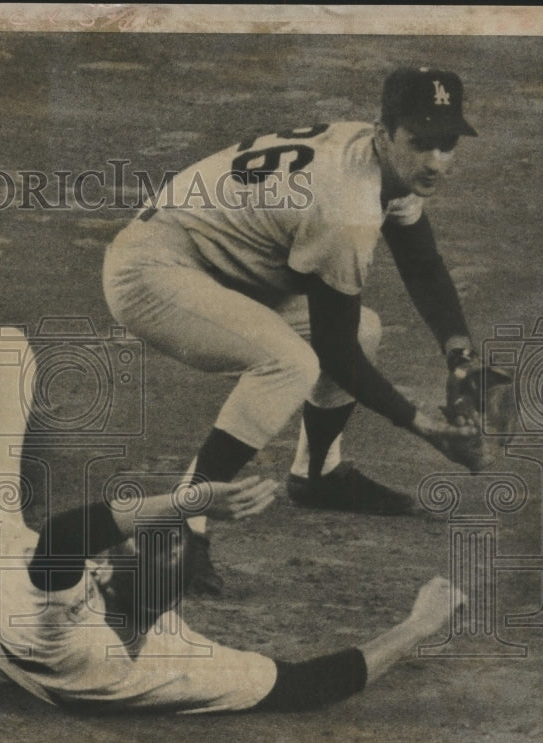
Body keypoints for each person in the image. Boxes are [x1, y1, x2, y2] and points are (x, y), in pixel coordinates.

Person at [0, 272, 465, 714]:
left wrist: (188, 504)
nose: (110, 551)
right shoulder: (170, 664)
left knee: (3, 354)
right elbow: (312, 685)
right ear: (164, 611)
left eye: (117, 554)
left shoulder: (62, 619)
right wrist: (420, 625)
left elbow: (65, 537)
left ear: (99, 577)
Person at [102, 67, 483, 594]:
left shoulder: (382, 164)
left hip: (220, 267)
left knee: (365, 328)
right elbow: (332, 347)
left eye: (447, 144)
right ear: (384, 130)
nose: (436, 161)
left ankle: (319, 474)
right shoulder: (346, 204)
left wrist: (460, 356)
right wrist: (424, 426)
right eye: (421, 144)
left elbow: (421, 263)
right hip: (153, 272)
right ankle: (179, 519)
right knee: (293, 361)